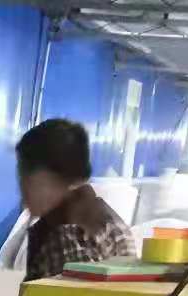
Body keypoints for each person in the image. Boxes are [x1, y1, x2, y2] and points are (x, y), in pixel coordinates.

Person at [16, 119, 135, 281]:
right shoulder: (105, 218)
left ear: (51, 177)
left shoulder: (66, 235)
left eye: (26, 175)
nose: (22, 188)